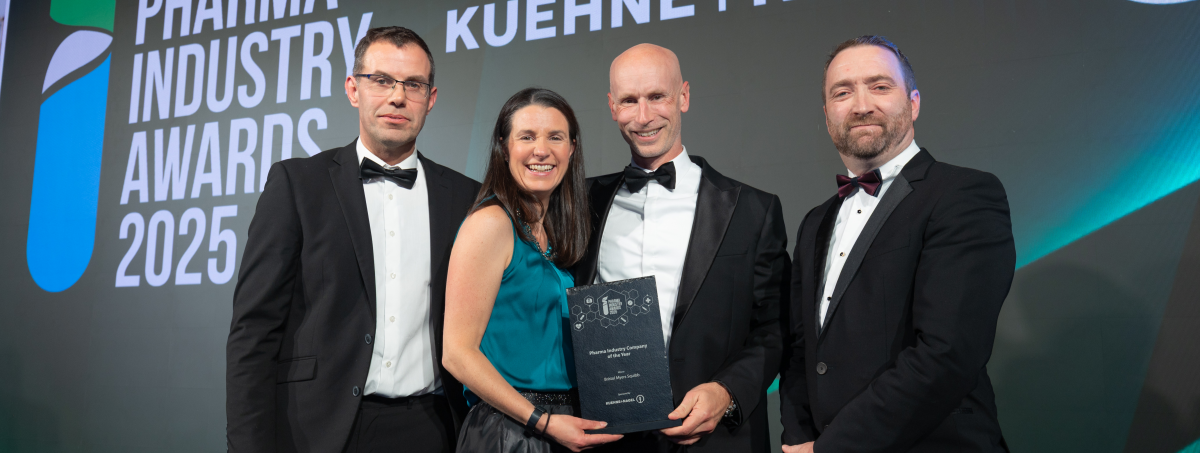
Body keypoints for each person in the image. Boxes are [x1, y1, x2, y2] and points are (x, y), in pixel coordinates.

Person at [226, 27, 480, 453]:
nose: (397, 97)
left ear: (431, 98)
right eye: (381, 80)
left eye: (413, 85)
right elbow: (254, 331)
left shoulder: (466, 197)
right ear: (352, 89)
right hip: (318, 430)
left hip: (434, 430)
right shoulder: (297, 184)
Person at [778, 35, 1015, 452]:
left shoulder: (963, 195)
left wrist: (833, 447)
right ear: (828, 115)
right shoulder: (815, 222)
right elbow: (801, 351)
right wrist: (799, 438)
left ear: (914, 103)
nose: (861, 105)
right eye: (842, 92)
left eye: (880, 86)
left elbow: (947, 353)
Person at [573, 44, 789, 453]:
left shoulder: (752, 210)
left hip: (718, 441)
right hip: (608, 440)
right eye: (629, 101)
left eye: (657, 96)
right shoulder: (581, 204)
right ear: (612, 106)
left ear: (683, 96)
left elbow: (776, 327)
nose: (643, 116)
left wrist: (726, 392)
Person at [442, 88, 623, 453]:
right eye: (526, 137)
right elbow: (457, 353)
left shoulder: (556, 233)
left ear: (572, 149)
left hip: (562, 424)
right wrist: (542, 421)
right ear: (503, 147)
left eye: (555, 137)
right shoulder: (491, 223)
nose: (541, 150)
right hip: (510, 430)